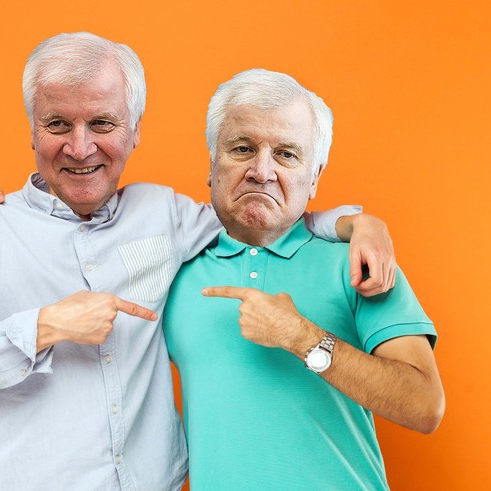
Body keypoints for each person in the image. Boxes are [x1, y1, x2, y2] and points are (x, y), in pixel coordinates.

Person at [0, 32, 397, 490]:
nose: (80, 148)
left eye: (102, 123)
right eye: (58, 124)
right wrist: (44, 326)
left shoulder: (163, 214)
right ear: (33, 130)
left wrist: (358, 223)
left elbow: (257, 210)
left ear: (135, 129)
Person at [162, 69, 445, 490]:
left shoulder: (358, 264)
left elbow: (424, 407)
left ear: (314, 177)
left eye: (286, 155)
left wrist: (303, 338)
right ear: (212, 163)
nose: (262, 171)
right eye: (242, 148)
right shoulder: (170, 273)